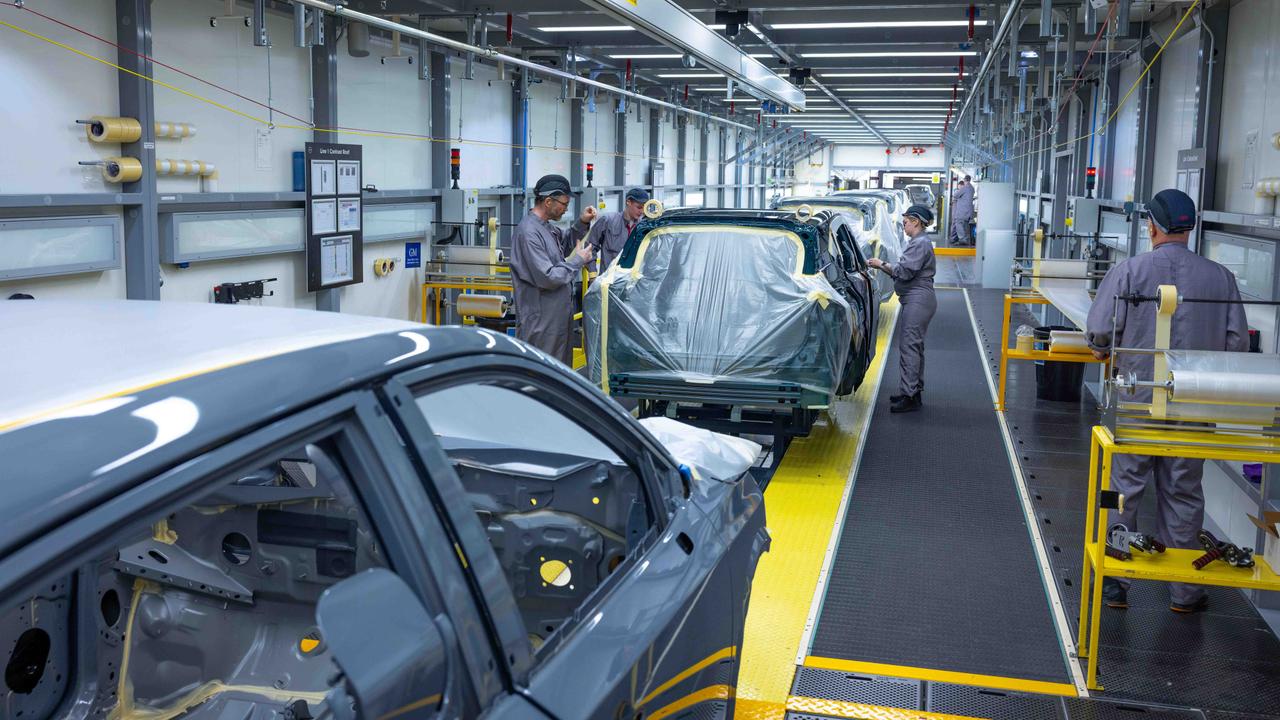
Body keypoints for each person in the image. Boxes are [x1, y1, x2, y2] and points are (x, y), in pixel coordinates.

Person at [1085, 188, 1248, 613]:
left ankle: (1115, 583)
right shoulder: (1221, 278)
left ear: (1151, 227)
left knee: (1123, 490)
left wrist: (1103, 350)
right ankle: (1185, 592)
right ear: (1190, 229)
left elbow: (1100, 332)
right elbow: (1236, 345)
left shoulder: (1129, 271)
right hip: (1194, 406)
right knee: (1184, 492)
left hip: (1136, 403)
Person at [509, 174, 598, 365]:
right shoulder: (528, 233)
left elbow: (564, 243)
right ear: (548, 201)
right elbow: (548, 277)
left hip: (556, 319)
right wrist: (578, 261)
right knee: (542, 370)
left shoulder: (546, 227)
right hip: (541, 322)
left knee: (559, 370)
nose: (566, 209)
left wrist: (582, 223)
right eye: (564, 204)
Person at [867, 204, 937, 413]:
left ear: (916, 221)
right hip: (917, 299)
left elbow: (905, 272)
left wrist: (881, 264)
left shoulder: (920, 243)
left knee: (909, 347)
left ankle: (910, 396)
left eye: (905, 222)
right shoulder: (919, 242)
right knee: (914, 347)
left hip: (918, 299)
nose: (903, 226)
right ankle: (913, 391)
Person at [591, 188, 649, 271]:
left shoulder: (643, 227)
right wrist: (592, 273)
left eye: (644, 208)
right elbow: (590, 246)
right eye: (639, 207)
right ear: (628, 202)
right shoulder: (608, 221)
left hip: (633, 277)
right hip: (609, 277)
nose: (642, 211)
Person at [950, 175, 975, 246]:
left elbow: (956, 195)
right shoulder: (972, 188)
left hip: (962, 211)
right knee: (965, 225)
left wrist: (958, 190)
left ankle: (962, 240)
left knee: (958, 223)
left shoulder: (965, 187)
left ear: (964, 180)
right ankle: (966, 240)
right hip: (968, 211)